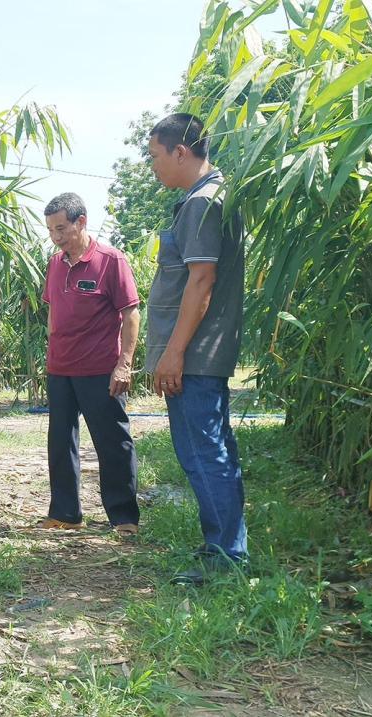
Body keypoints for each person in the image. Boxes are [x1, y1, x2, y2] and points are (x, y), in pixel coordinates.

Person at [145, 113, 247, 585]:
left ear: (180, 151)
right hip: (203, 351)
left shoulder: (203, 202)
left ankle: (226, 558)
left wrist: (174, 351)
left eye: (155, 157)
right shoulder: (210, 197)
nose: (153, 168)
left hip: (196, 354)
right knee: (212, 450)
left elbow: (201, 279)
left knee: (203, 453)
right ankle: (224, 546)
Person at [37, 193, 141, 536]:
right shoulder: (55, 264)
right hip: (60, 369)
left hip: (100, 369)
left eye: (62, 228)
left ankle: (123, 517)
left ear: (81, 222)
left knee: (112, 441)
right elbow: (53, 310)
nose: (56, 236)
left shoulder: (111, 261)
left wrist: (124, 364)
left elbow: (131, 314)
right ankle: (66, 513)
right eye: (51, 229)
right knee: (60, 441)